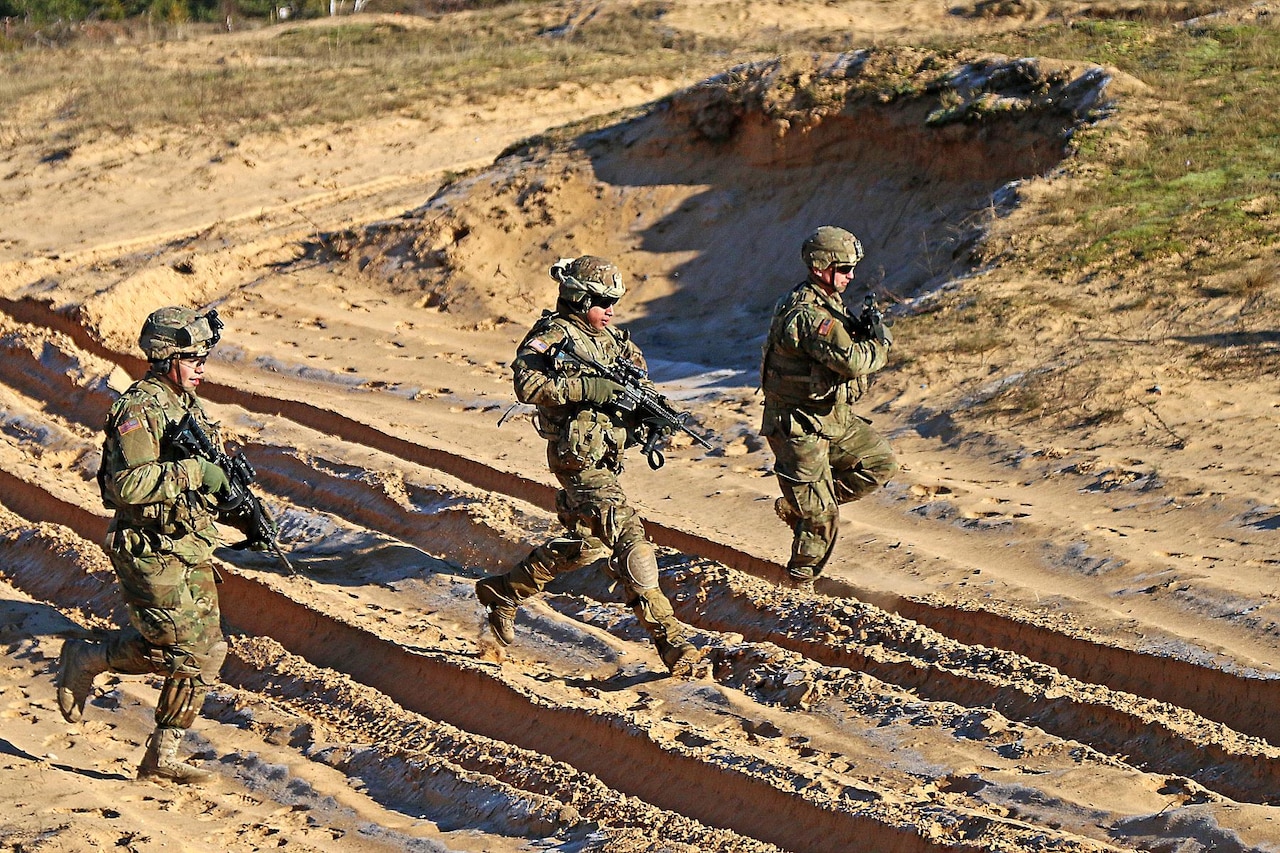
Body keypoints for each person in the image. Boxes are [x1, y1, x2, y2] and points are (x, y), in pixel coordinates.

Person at [476, 256, 701, 678]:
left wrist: (651, 416)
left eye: (614, 300)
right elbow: (528, 386)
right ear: (578, 298)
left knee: (589, 547)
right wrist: (589, 388)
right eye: (601, 300)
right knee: (631, 539)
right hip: (576, 459)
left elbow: (639, 386)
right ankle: (673, 642)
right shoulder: (552, 335)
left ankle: (505, 591)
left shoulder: (616, 342)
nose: (611, 309)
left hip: (607, 456)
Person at [56, 306, 235, 784]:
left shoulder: (185, 404)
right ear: (164, 358)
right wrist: (196, 473)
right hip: (147, 550)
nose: (202, 367)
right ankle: (93, 664)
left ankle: (156, 749)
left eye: (204, 357)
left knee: (207, 651)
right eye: (193, 358)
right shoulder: (139, 409)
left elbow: (202, 465)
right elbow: (124, 487)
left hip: (187, 543)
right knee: (187, 651)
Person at [760, 226, 898, 591]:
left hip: (830, 415)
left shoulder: (827, 302)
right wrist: (880, 345)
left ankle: (800, 506)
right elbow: (850, 361)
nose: (851, 276)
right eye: (844, 268)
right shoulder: (808, 315)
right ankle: (798, 586)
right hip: (797, 424)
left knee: (880, 462)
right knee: (822, 516)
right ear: (822, 267)